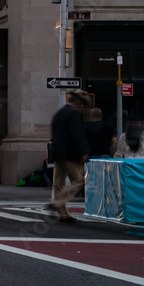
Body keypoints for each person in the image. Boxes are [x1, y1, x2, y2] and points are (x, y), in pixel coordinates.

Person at [49, 91, 91, 223]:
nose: (83, 109)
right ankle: (57, 202)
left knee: (58, 183)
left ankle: (63, 214)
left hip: (58, 153)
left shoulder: (59, 113)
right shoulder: (73, 114)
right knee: (79, 180)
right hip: (70, 154)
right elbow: (76, 134)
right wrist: (84, 152)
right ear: (79, 102)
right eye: (83, 105)